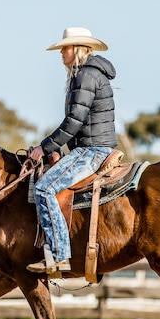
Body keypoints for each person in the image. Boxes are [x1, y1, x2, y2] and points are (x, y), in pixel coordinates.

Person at [27, 27, 117, 274]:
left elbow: (73, 122)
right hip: (93, 146)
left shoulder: (85, 76)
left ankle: (58, 255)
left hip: (91, 150)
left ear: (77, 49)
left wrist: (44, 148)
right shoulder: (91, 74)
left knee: (44, 188)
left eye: (64, 48)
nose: (61, 54)